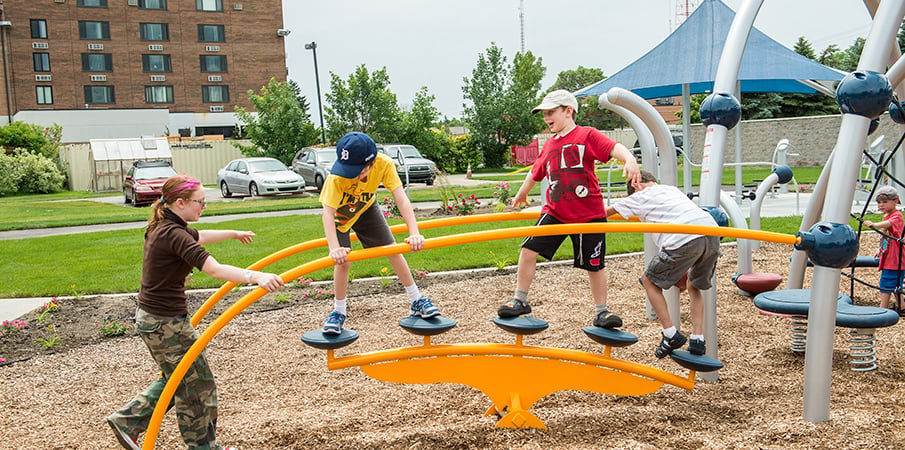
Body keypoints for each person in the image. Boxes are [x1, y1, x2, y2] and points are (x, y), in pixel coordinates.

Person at [107, 174, 285, 450]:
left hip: (157, 320)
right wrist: (256, 277)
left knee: (180, 379)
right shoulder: (173, 233)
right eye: (200, 202)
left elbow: (200, 236)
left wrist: (234, 233)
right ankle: (202, 447)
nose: (203, 206)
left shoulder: (168, 225)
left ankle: (128, 420)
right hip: (165, 324)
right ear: (180, 203)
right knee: (197, 386)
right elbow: (214, 269)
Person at [498, 89, 641, 328]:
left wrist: (631, 160)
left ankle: (601, 312)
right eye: (544, 114)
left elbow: (615, 148)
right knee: (528, 250)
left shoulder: (587, 135)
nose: (546, 118)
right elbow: (536, 173)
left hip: (589, 214)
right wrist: (521, 194)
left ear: (568, 111)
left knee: (594, 265)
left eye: (551, 112)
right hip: (555, 212)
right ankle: (520, 300)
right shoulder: (549, 145)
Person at [319, 131, 439, 335]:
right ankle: (338, 313)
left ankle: (416, 299)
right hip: (340, 216)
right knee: (343, 262)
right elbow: (328, 214)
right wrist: (334, 248)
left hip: (365, 209)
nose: (350, 174)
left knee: (392, 249)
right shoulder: (336, 178)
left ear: (371, 163)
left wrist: (414, 232)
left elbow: (401, 199)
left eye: (355, 170)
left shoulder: (384, 163)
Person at [605, 170, 720, 358]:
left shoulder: (639, 195)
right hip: (710, 233)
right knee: (694, 284)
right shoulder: (670, 190)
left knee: (648, 281)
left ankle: (670, 334)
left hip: (683, 238)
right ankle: (698, 339)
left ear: (635, 185)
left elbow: (606, 213)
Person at [863, 185, 905, 313]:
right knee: (896, 282)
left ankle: (883, 309)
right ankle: (902, 307)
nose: (881, 205)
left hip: (896, 257)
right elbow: (885, 236)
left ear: (896, 201)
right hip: (891, 255)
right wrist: (881, 249)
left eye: (885, 202)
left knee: (887, 282)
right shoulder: (886, 215)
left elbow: (889, 224)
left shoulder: (896, 216)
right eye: (879, 202)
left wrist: (874, 224)